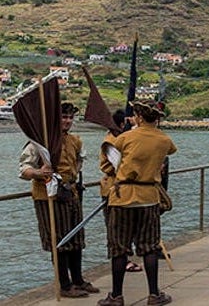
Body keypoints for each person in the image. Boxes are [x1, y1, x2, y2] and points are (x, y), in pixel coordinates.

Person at [98, 100, 176, 306]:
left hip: (123, 196)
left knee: (119, 248)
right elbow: (170, 151)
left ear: (139, 117)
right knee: (149, 247)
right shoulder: (164, 140)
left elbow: (106, 164)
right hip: (149, 196)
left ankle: (116, 296)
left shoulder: (125, 137)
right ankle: (154, 294)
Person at [18, 102, 100, 298]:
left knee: (76, 239)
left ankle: (78, 280)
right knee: (59, 241)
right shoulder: (40, 142)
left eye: (70, 117)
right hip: (48, 197)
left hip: (70, 194)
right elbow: (24, 169)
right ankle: (64, 284)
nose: (68, 121)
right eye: (64, 117)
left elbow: (78, 163)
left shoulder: (75, 141)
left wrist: (70, 180)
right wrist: (40, 172)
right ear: (56, 119)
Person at [98, 109, 142, 273]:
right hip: (112, 189)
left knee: (126, 227)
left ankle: (125, 257)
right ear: (122, 124)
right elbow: (120, 165)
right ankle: (121, 259)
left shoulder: (122, 139)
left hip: (124, 189)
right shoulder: (111, 141)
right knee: (114, 228)